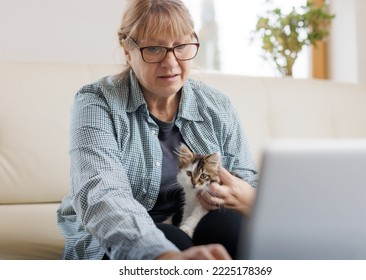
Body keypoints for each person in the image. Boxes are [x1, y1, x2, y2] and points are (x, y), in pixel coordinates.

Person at [57, 0, 257, 260]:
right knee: (169, 238)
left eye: (181, 46)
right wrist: (162, 256)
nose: (171, 63)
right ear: (127, 49)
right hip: (120, 243)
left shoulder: (216, 105)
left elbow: (248, 180)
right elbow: (102, 194)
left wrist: (250, 199)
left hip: (193, 224)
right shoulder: (97, 101)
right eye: (154, 48)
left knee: (231, 226)